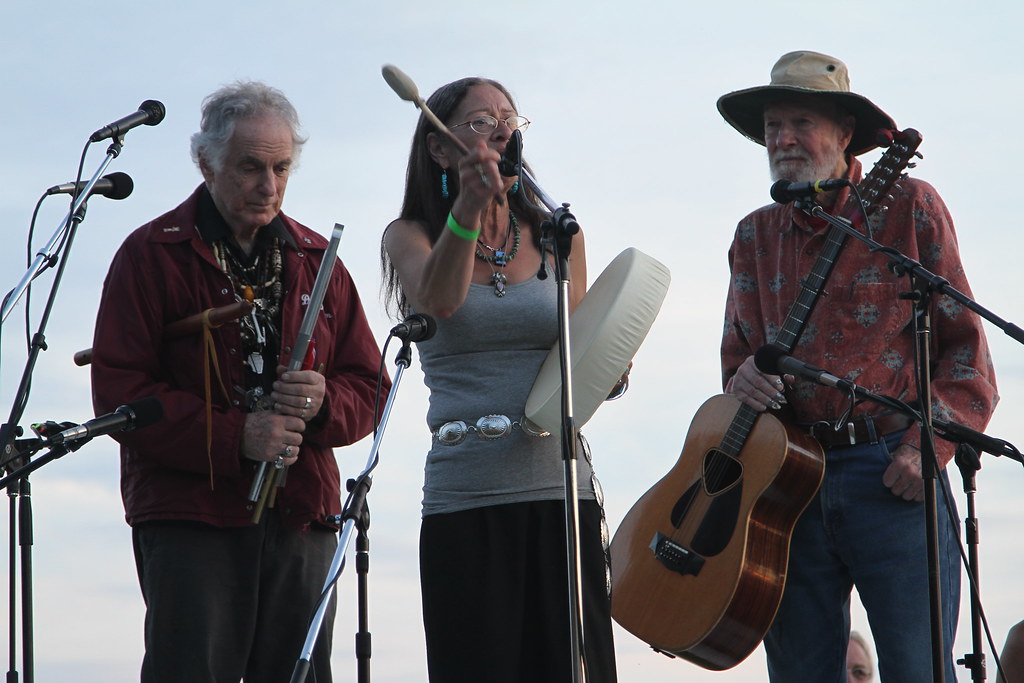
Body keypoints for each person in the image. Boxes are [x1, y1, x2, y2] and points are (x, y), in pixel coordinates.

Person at [90, 81, 387, 683]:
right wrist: (238, 436)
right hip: (190, 515)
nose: (269, 185)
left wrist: (326, 400)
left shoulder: (315, 258)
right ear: (206, 162)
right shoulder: (150, 254)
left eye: (281, 168)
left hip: (302, 512)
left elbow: (370, 384)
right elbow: (120, 394)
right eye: (250, 167)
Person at [717, 51, 998, 681]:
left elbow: (965, 346)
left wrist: (932, 440)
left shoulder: (910, 206)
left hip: (890, 471)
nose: (782, 138)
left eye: (800, 122)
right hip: (784, 484)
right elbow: (737, 358)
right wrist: (744, 382)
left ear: (846, 134)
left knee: (918, 670)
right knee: (799, 672)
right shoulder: (752, 235)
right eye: (771, 127)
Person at [381, 76, 617, 682]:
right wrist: (466, 207)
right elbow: (439, 301)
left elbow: (582, 352)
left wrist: (610, 368)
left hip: (561, 492)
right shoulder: (410, 235)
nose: (501, 130)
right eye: (481, 121)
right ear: (439, 147)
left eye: (510, 119)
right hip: (468, 496)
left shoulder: (559, 236)